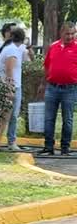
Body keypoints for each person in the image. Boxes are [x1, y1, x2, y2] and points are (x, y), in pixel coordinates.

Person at [39, 22, 77, 157]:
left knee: (68, 119)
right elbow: (47, 66)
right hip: (52, 88)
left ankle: (65, 148)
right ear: (62, 32)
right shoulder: (53, 47)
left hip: (70, 89)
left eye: (73, 34)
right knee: (49, 118)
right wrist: (43, 84)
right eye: (68, 33)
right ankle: (48, 147)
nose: (70, 36)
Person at [0, 25, 27, 151]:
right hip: (9, 87)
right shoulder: (12, 50)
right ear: (23, 40)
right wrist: (10, 89)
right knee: (3, 117)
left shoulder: (8, 47)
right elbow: (9, 70)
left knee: (5, 117)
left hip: (7, 85)